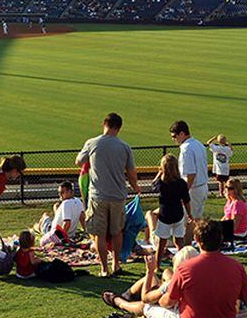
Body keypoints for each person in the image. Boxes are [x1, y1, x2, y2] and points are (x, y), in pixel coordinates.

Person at [157, 219, 247, 318]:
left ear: (196, 239)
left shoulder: (185, 268)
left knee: (150, 308)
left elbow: (169, 301)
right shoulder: (236, 266)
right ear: (221, 238)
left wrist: (160, 299)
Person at [76, 113, 141, 277]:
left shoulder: (92, 143)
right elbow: (132, 173)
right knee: (117, 232)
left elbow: (78, 161)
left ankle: (104, 269)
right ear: (118, 128)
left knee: (99, 234)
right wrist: (136, 187)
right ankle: (116, 264)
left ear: (104, 124)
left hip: (98, 196)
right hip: (118, 196)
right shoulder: (125, 147)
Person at [102, 246, 199, 318]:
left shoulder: (177, 284)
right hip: (182, 308)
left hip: (174, 312)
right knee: (162, 275)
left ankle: (119, 301)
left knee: (146, 307)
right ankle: (126, 295)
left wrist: (150, 272)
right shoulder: (203, 276)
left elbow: (148, 299)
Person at [172, 120, 209, 243]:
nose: (174, 139)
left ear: (182, 133)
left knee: (188, 220)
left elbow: (190, 174)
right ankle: (198, 244)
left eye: (174, 136)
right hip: (203, 186)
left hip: (193, 188)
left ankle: (187, 247)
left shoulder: (186, 148)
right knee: (196, 220)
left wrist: (184, 193)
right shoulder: (198, 144)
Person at [151, 154, 190, 261]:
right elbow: (186, 200)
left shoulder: (161, 184)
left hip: (165, 215)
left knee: (161, 243)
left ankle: (157, 265)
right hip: (178, 213)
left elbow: (153, 186)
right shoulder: (181, 183)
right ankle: (184, 262)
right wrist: (190, 213)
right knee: (179, 241)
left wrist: (159, 174)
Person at [38, 181, 85, 246]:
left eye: (62, 192)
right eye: (59, 193)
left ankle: (40, 227)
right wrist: (86, 232)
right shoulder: (79, 201)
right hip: (70, 234)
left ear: (70, 192)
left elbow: (67, 223)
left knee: (45, 215)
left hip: (55, 233)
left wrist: (62, 238)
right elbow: (82, 219)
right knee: (56, 206)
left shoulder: (66, 203)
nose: (60, 195)